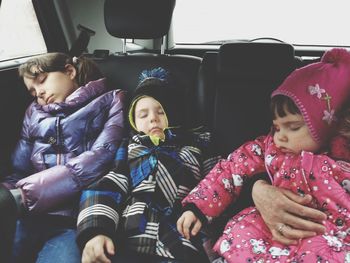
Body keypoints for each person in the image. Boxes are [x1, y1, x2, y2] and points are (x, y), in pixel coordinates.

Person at [177, 48, 350, 262]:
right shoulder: (268, 148)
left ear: (326, 126)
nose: (281, 138)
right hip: (264, 234)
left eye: (293, 127)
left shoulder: (343, 161)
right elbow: (230, 169)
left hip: (326, 239)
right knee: (240, 237)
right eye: (277, 128)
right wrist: (198, 208)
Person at [76, 68, 218, 263]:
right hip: (132, 235)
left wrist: (202, 214)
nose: (153, 118)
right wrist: (97, 231)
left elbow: (217, 184)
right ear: (133, 123)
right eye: (143, 115)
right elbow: (108, 186)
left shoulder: (198, 145)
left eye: (161, 111)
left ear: (174, 114)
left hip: (182, 234)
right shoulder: (130, 148)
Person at [0, 52, 126, 263]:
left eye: (41, 81)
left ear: (69, 71)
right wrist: (6, 196)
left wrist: (25, 195)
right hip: (30, 215)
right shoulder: (34, 112)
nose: (39, 93)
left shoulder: (112, 100)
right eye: (32, 91)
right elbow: (19, 169)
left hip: (74, 217)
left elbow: (100, 157)